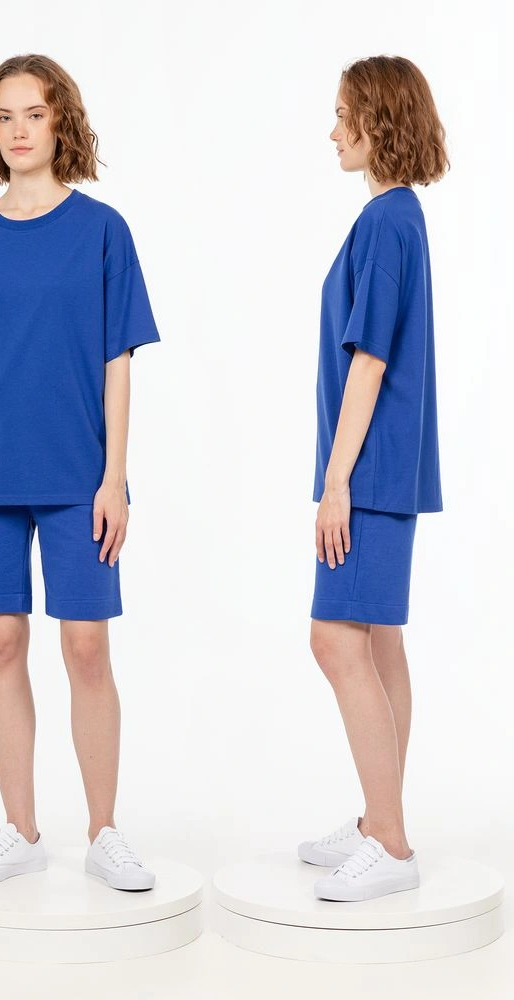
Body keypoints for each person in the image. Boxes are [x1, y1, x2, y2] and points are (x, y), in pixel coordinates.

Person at [0, 55, 160, 892]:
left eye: (35, 114)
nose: (18, 131)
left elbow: (118, 361)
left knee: (86, 646)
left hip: (76, 475)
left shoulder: (103, 231)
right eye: (4, 116)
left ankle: (104, 830)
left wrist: (114, 477)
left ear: (62, 124)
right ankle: (20, 829)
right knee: (1, 641)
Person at [297, 56, 448, 902]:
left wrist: (335, 484)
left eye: (342, 114)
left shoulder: (387, 222)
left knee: (334, 640)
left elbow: (370, 361)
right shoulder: (398, 217)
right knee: (379, 639)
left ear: (377, 119)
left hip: (373, 473)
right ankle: (376, 821)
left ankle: (389, 842)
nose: (333, 132)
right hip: (389, 468)